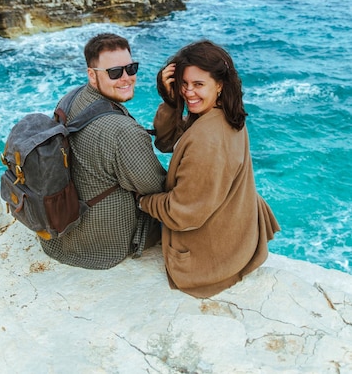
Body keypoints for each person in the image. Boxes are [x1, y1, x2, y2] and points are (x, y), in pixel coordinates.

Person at [138, 39, 280, 298]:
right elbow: (168, 141)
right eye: (184, 83)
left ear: (220, 84)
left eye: (198, 84)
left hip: (211, 256)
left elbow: (183, 215)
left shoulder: (207, 140)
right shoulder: (226, 113)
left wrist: (143, 201)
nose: (188, 92)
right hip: (238, 233)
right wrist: (170, 101)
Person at [40, 32, 166, 270]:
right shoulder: (123, 132)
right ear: (92, 75)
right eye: (115, 72)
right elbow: (157, 187)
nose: (127, 78)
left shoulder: (69, 100)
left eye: (132, 68)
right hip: (102, 246)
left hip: (61, 234)